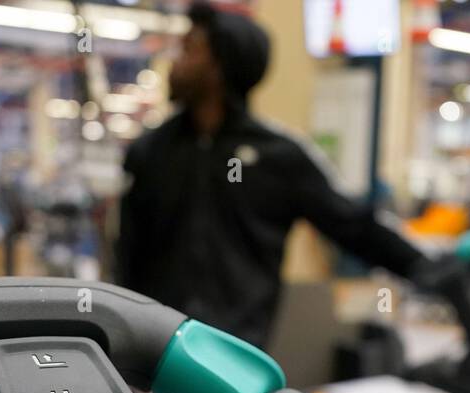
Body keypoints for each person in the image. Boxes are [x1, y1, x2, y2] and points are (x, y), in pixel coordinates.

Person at [116, 1, 426, 349]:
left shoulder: (279, 157)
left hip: (238, 356)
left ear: (221, 66)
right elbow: (127, 254)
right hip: (154, 353)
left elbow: (352, 225)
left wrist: (427, 269)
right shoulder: (150, 152)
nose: (175, 63)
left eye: (190, 50)